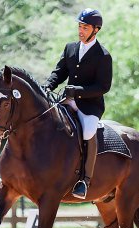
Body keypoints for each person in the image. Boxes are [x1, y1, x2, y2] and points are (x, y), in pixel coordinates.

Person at [44, 8, 113, 199]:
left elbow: (103, 86)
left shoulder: (103, 56)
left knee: (89, 131)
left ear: (96, 30)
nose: (81, 30)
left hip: (90, 106)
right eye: (80, 26)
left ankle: (84, 180)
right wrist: (48, 85)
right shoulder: (70, 48)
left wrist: (78, 91)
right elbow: (59, 72)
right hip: (66, 100)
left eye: (85, 27)